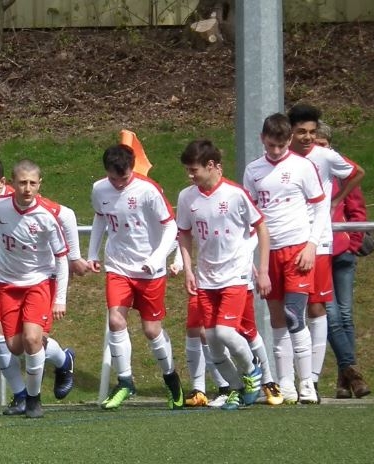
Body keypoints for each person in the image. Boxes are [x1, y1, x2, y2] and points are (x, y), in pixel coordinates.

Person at [0, 160, 71, 418]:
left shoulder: (46, 217)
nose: (27, 188)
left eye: (32, 183)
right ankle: (64, 359)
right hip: (7, 284)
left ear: (39, 184)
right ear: (12, 184)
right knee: (15, 346)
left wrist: (60, 298)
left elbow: (61, 258)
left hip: (38, 283)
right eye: (22, 183)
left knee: (32, 339)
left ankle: (33, 400)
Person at [87, 144, 184, 410]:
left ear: (132, 168)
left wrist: (157, 258)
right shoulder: (99, 189)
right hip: (118, 266)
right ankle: (125, 381)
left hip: (150, 270)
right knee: (116, 320)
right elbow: (100, 218)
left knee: (151, 330)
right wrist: (92, 253)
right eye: (113, 178)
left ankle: (171, 378)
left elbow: (171, 226)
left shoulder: (148, 190)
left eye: (124, 178)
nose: (118, 184)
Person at [175, 139, 270, 410]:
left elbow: (262, 228)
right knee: (213, 342)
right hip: (206, 278)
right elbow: (184, 234)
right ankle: (237, 389)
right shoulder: (186, 197)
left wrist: (263, 270)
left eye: (194, 170)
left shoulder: (235, 194)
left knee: (226, 333)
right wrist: (188, 269)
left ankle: (252, 371)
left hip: (235, 276)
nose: (190, 175)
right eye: (188, 170)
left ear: (211, 165)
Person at [243, 112, 327, 404]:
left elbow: (320, 208)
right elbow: (249, 218)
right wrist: (255, 263)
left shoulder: (303, 167)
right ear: (262, 139)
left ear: (289, 140)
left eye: (281, 145)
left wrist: (311, 245)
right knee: (277, 318)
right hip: (269, 253)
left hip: (297, 249)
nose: (276, 151)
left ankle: (307, 384)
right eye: (271, 145)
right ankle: (285, 383)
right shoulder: (253, 170)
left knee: (294, 315)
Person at [286, 104, 364, 396]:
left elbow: (357, 173)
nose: (308, 137)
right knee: (292, 312)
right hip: (290, 240)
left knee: (324, 310)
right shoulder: (283, 158)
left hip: (321, 242)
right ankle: (292, 380)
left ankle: (314, 380)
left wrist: (336, 199)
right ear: (291, 132)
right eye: (302, 132)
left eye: (312, 132)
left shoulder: (325, 155)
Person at [315, 122, 372, 399]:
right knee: (333, 316)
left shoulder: (340, 171)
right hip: (318, 252)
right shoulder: (304, 170)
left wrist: (353, 242)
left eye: (324, 145)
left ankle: (344, 380)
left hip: (342, 251)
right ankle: (353, 375)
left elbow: (357, 210)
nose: (320, 150)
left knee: (346, 315)